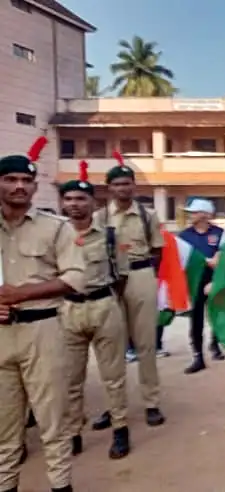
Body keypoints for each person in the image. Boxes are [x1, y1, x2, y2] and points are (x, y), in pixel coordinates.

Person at [0, 150, 86, 492]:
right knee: (5, 427)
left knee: (53, 422)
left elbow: (75, 277)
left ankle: (61, 485)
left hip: (43, 330)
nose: (19, 186)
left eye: (26, 181)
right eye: (10, 179)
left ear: (35, 187)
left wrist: (22, 294)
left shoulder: (56, 228)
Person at [58, 164, 131, 460]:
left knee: (113, 375)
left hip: (103, 306)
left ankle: (120, 429)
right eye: (70, 199)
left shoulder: (110, 236)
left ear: (93, 203)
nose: (75, 204)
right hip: (68, 310)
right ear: (63, 203)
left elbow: (122, 274)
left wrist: (109, 300)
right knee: (70, 378)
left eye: (81, 199)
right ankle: (74, 431)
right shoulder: (56, 237)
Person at [95, 161, 165, 430]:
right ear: (109, 188)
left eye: (127, 183)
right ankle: (114, 406)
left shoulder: (148, 216)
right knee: (111, 345)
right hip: (110, 280)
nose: (122, 188)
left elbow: (157, 251)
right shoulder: (101, 217)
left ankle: (151, 402)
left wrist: (146, 278)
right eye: (117, 184)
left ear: (133, 186)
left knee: (146, 343)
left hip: (140, 274)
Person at [179, 198, 225, 374]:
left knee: (217, 314)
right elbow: (182, 258)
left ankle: (215, 343)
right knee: (196, 318)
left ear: (205, 215)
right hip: (195, 281)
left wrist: (217, 259)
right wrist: (205, 261)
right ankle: (198, 356)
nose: (191, 215)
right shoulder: (185, 236)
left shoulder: (219, 233)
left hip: (216, 279)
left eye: (194, 212)